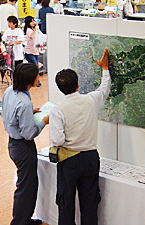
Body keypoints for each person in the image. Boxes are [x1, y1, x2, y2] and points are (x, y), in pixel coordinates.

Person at [49, 49, 111, 225]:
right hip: (91, 158)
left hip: (69, 161)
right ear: (78, 85)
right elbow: (104, 89)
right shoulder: (91, 100)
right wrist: (105, 68)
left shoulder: (58, 109)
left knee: (66, 202)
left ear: (60, 89)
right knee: (90, 202)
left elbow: (57, 141)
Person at [2, 63, 49, 225]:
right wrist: (44, 121)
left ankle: (23, 220)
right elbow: (29, 134)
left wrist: (29, 113)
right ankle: (21, 222)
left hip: (12, 144)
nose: (39, 77)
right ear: (30, 79)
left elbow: (11, 114)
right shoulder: (24, 102)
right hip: (23, 148)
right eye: (37, 75)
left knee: (24, 185)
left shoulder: (10, 91)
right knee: (27, 188)